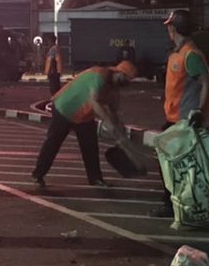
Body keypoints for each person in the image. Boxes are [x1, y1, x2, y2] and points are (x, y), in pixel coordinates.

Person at [31, 60, 137, 189]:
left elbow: (114, 111)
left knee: (91, 147)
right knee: (53, 143)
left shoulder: (113, 88)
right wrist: (108, 122)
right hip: (65, 108)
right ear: (118, 72)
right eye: (125, 77)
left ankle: (96, 179)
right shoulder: (99, 75)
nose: (126, 82)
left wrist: (119, 133)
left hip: (83, 115)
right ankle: (38, 174)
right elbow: (94, 101)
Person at [150, 8, 209, 218]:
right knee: (172, 163)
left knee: (172, 164)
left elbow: (205, 84)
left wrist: (199, 112)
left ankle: (172, 204)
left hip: (185, 120)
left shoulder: (190, 54)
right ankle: (181, 203)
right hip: (173, 117)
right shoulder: (177, 53)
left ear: (173, 28)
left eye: (169, 26)